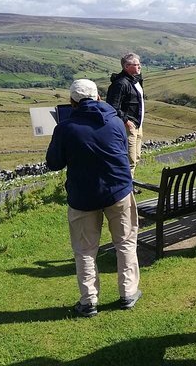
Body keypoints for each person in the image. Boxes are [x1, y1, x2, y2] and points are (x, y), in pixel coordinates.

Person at [45, 79, 141, 318]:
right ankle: (128, 293)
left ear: (72, 102)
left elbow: (53, 163)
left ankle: (89, 301)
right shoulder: (116, 122)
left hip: (83, 195)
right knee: (126, 242)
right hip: (118, 189)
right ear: (98, 97)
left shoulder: (65, 128)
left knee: (85, 250)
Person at [106, 53, 144, 177]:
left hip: (137, 125)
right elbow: (112, 106)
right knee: (129, 161)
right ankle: (126, 190)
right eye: (136, 65)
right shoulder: (121, 83)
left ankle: (130, 186)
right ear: (127, 66)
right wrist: (126, 121)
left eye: (139, 64)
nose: (139, 67)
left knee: (136, 157)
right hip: (128, 127)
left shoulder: (135, 81)